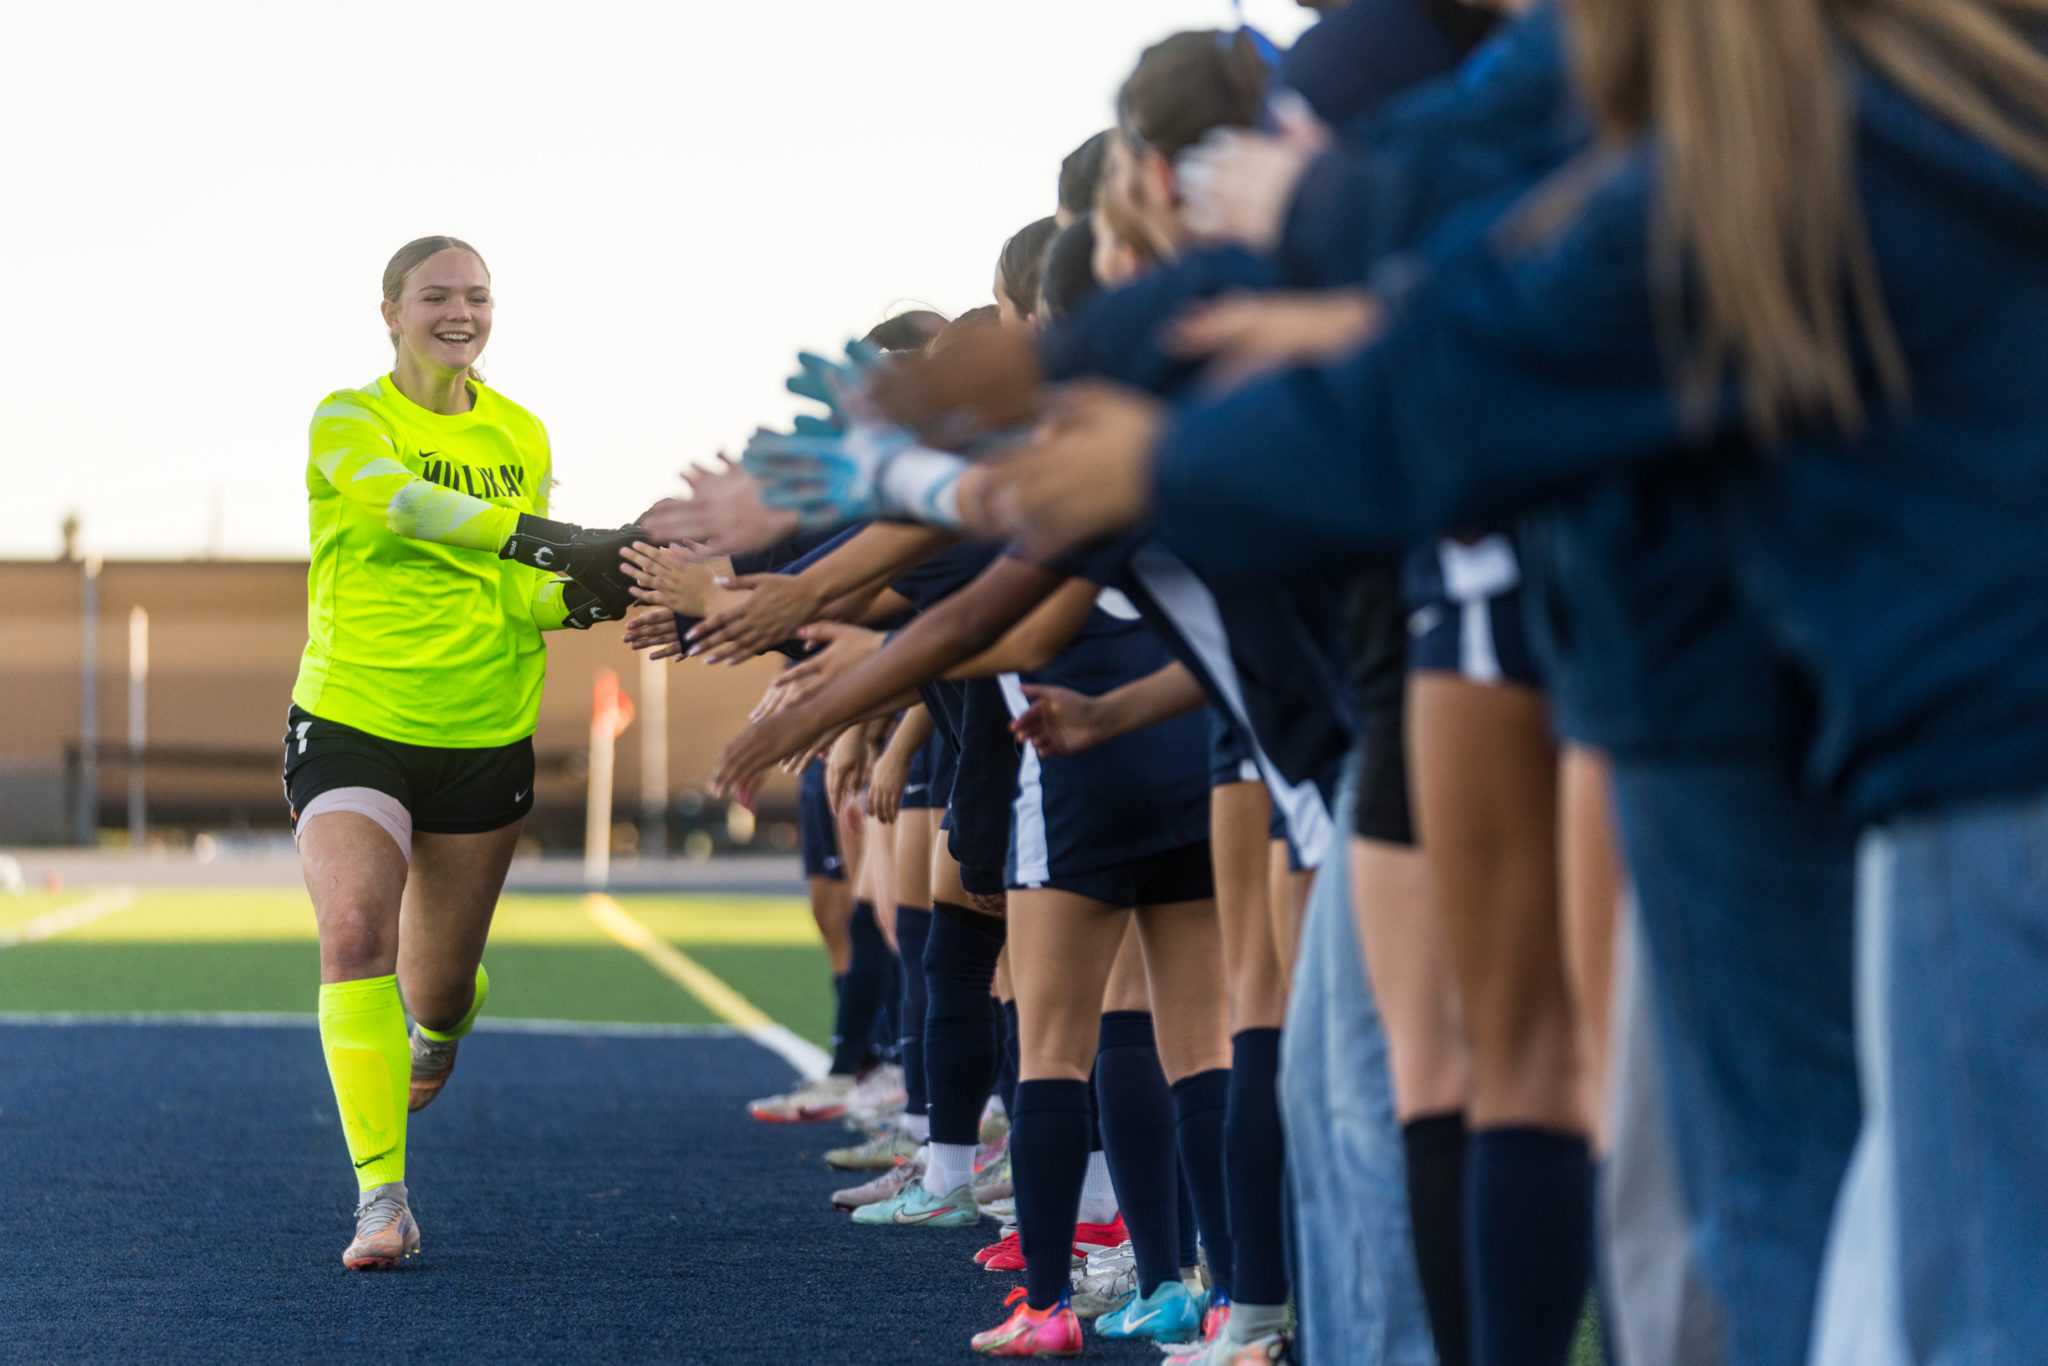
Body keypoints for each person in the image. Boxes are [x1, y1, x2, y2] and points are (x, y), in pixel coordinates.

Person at [286, 235, 641, 1269]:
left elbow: (519, 590)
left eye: (477, 296)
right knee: (357, 931)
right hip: (354, 716)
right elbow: (405, 505)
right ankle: (381, 1202)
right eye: (435, 295)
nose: (460, 312)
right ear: (390, 312)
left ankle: (441, 1024)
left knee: (435, 989)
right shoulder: (348, 418)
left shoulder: (519, 431)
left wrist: (589, 594)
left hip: (484, 729)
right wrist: (554, 538)